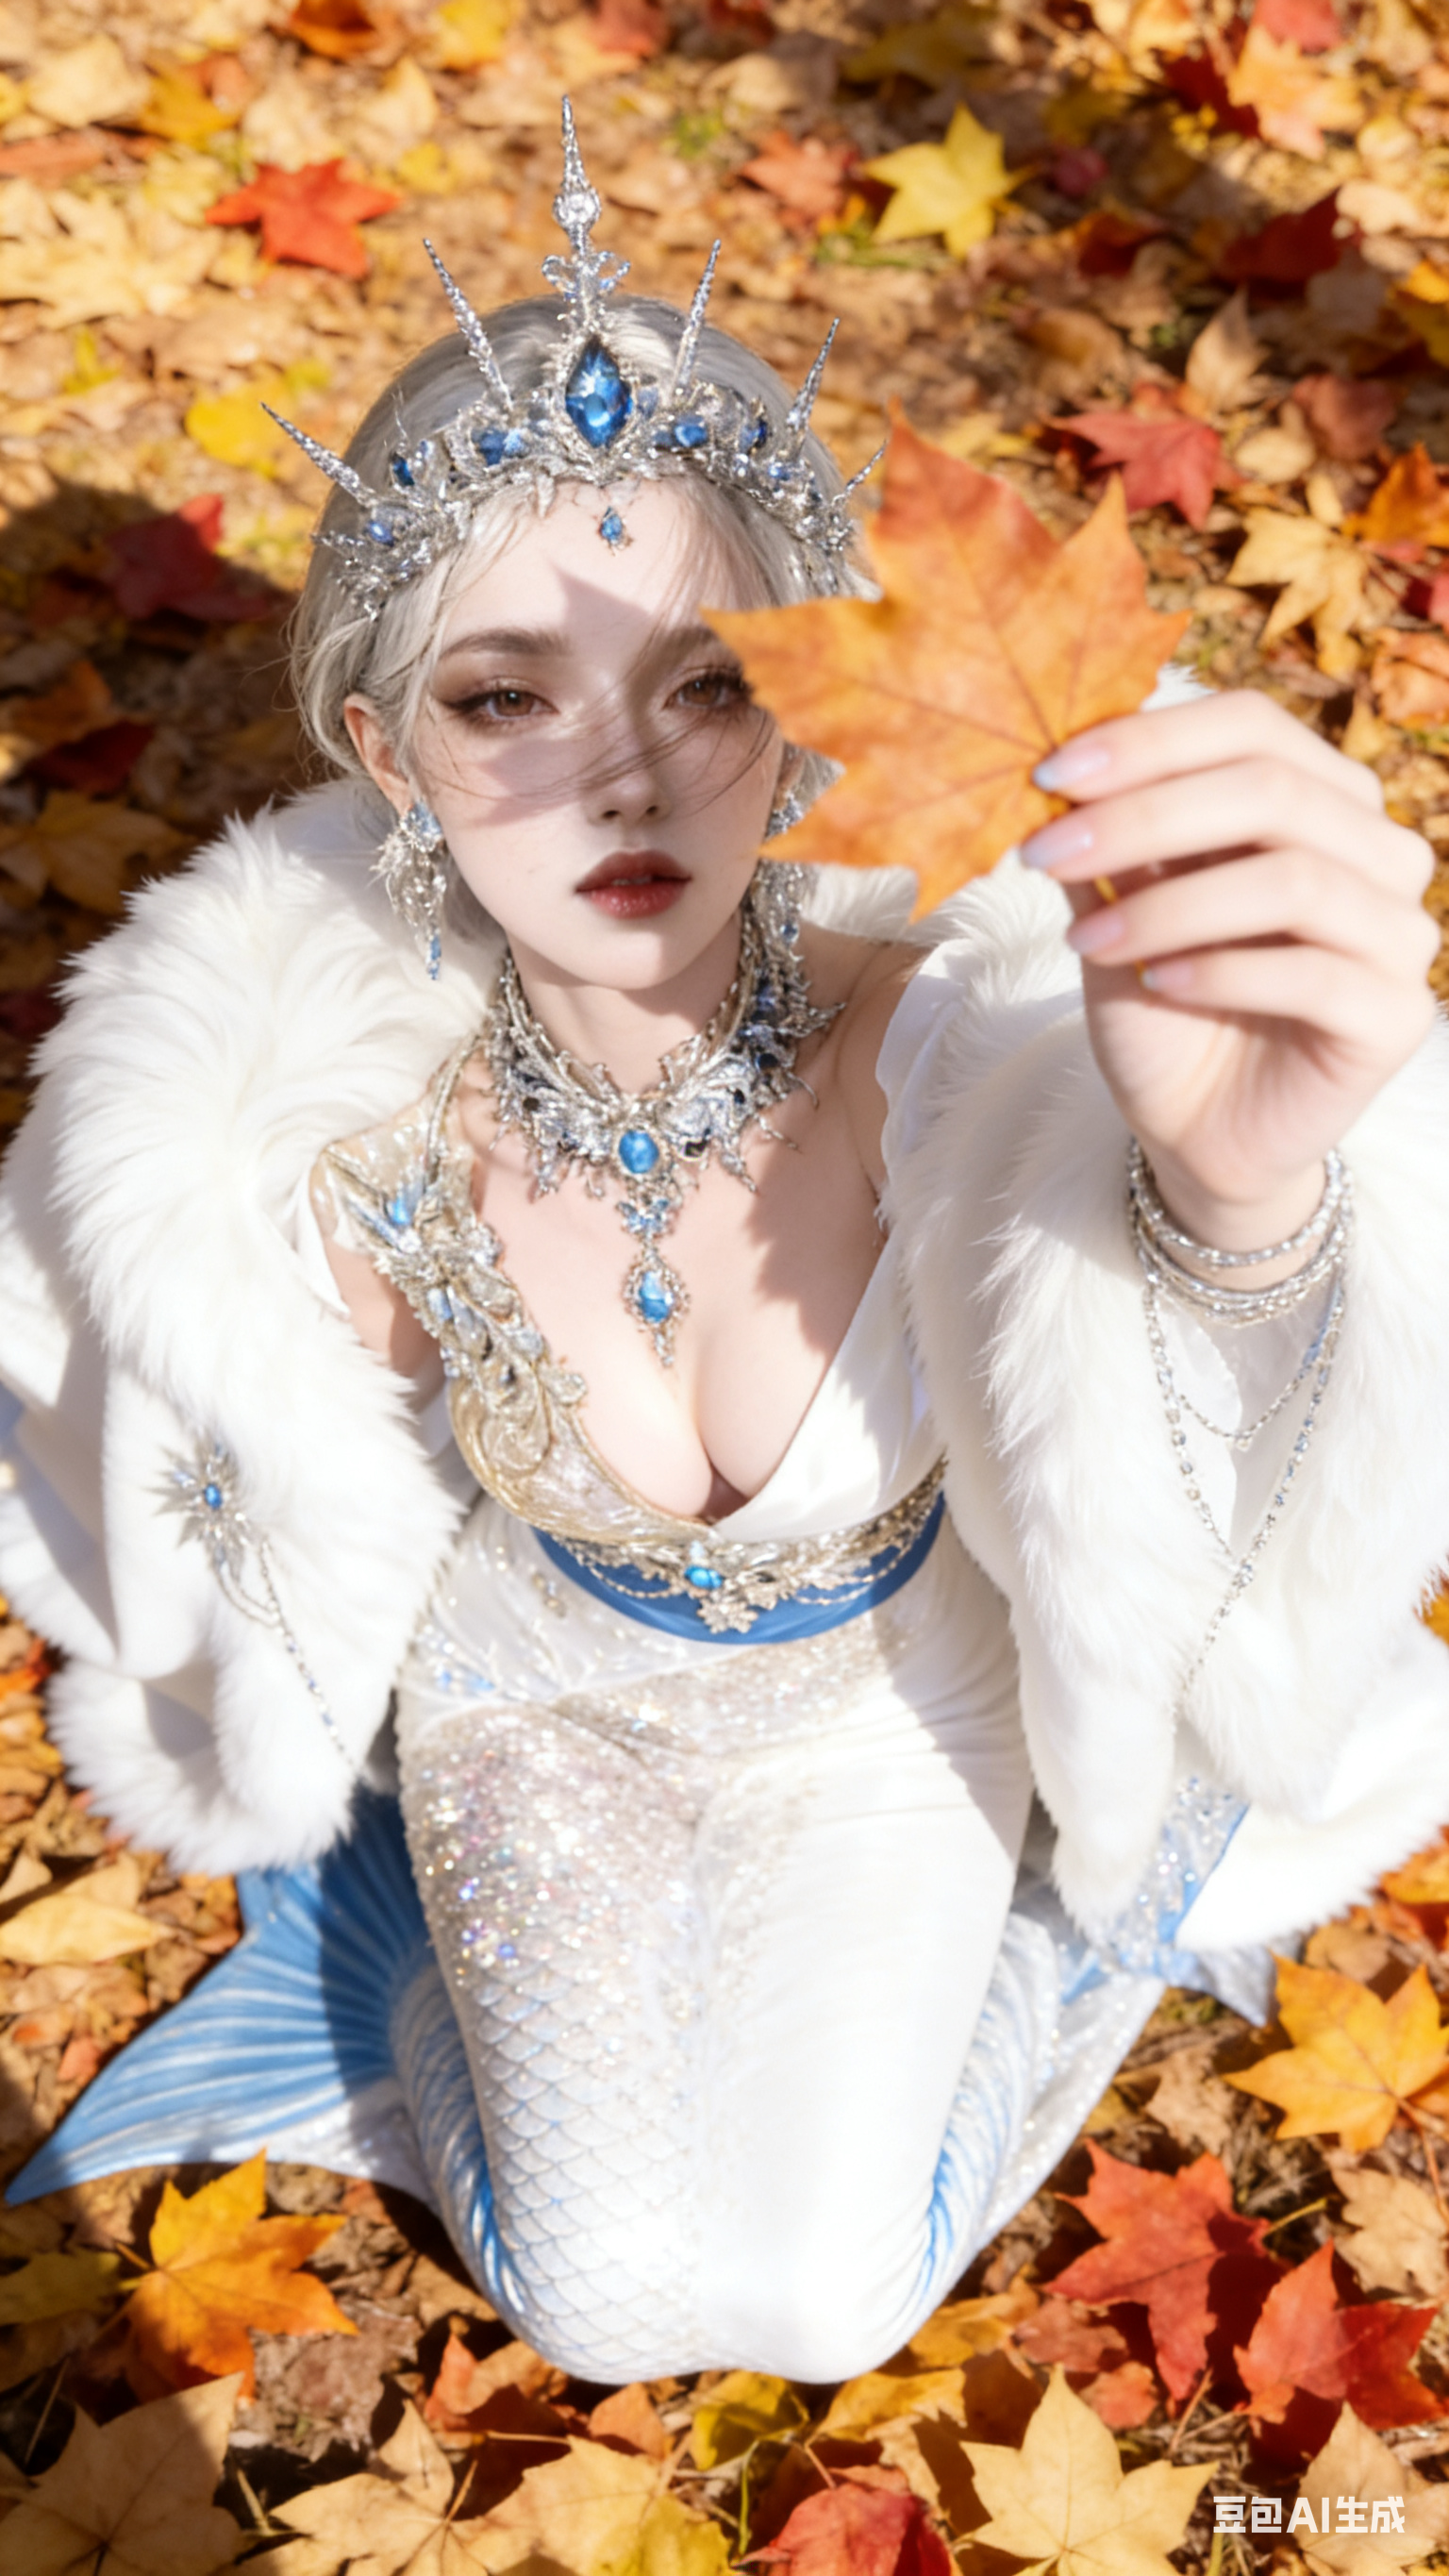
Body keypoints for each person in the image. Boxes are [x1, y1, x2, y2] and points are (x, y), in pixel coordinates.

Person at [0, 105, 1446, 2384]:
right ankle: (377, 1970)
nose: (629, 781)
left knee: (819, 2301)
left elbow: (1186, 1395)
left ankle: (1064, 1944)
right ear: (384, 744)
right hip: (535, 1705)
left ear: (815, 711)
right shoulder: (349, 1154)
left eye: (711, 683)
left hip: (896, 1695)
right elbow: (234, 1489)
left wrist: (1238, 1192)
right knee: (591, 2298)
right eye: (505, 697)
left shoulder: (955, 1048)